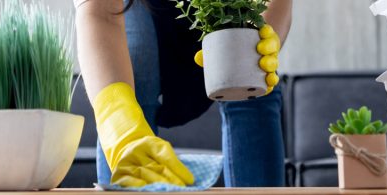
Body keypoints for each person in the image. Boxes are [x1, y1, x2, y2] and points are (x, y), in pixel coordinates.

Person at [72, 0, 293, 187]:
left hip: (219, 7)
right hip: (141, 9)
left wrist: (259, 41)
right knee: (137, 58)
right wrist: (120, 129)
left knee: (251, 69)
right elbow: (100, 14)